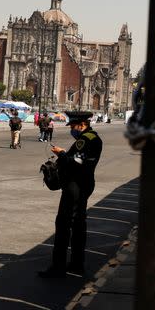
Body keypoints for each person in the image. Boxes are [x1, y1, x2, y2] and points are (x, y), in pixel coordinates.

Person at [38, 111, 103, 278]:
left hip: (76, 186)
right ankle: (76, 264)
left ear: (81, 125)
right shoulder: (93, 138)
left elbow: (76, 163)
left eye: (73, 126)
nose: (72, 130)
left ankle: (58, 267)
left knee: (63, 224)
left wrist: (61, 153)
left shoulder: (84, 140)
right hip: (85, 184)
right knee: (79, 224)